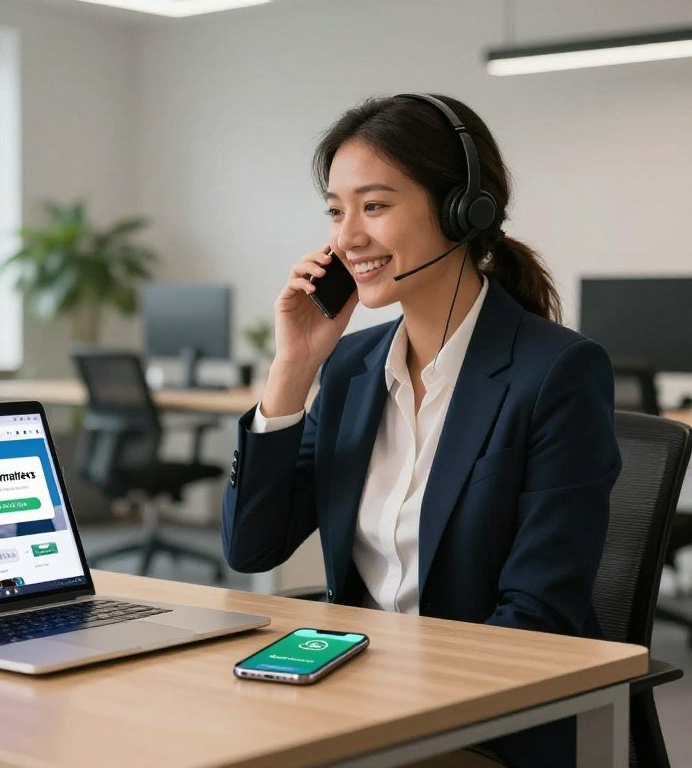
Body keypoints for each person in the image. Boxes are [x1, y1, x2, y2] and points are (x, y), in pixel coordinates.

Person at [221, 94, 620, 768]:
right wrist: (294, 366)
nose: (347, 237)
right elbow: (253, 546)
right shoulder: (350, 367)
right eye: (336, 210)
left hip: (488, 722)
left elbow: (537, 619)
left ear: (465, 209)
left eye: (374, 206)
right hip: (357, 701)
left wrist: (393, 705)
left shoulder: (556, 373)